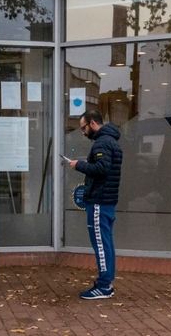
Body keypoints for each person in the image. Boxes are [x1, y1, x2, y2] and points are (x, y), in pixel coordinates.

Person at [67, 109, 122, 299]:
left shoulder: (102, 143)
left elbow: (101, 168)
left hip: (99, 200)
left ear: (92, 123)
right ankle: (106, 282)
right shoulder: (111, 141)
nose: (83, 132)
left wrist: (79, 165)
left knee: (100, 243)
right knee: (106, 242)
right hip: (106, 199)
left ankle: (104, 285)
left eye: (83, 128)